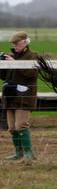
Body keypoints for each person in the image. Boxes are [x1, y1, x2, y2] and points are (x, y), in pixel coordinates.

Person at [0, 31, 38, 161]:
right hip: (10, 97)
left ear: (25, 42)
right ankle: (19, 153)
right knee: (11, 128)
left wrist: (15, 63)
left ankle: (28, 154)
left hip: (24, 96)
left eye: (17, 43)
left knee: (21, 125)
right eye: (13, 43)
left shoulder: (32, 56)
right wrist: (3, 65)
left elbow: (31, 74)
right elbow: (4, 77)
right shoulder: (11, 56)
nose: (15, 46)